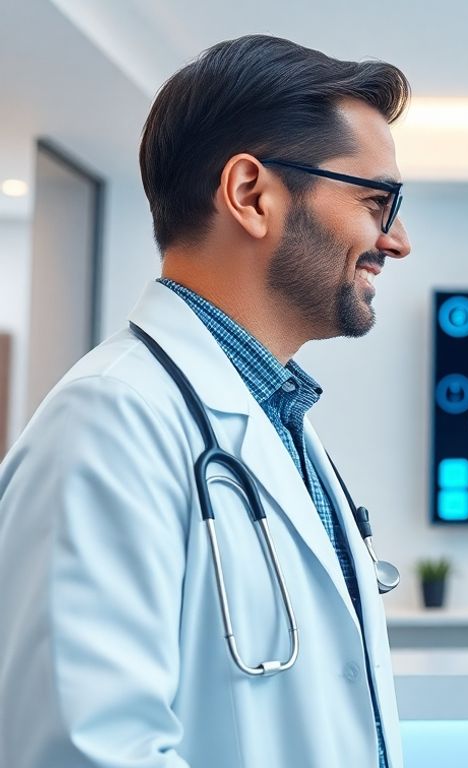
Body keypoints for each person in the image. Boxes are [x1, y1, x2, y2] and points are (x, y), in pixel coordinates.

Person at [0, 35, 412, 767]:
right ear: (251, 195)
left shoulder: (278, 423)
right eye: (377, 202)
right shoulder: (108, 422)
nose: (398, 240)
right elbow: (83, 753)